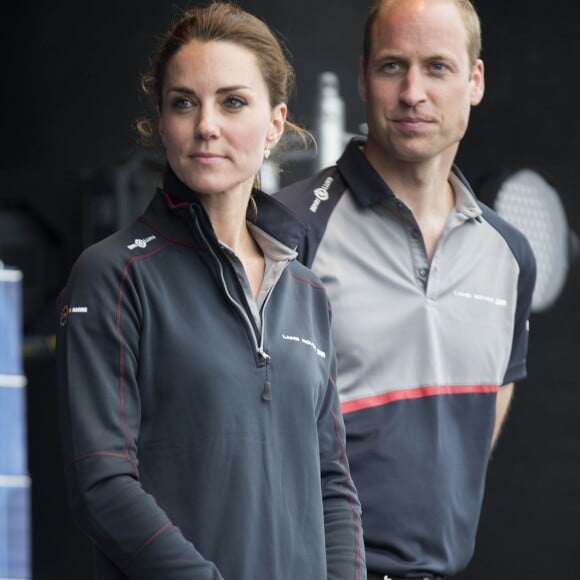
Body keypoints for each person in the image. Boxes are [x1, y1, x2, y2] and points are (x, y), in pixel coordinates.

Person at [56, 3, 366, 579]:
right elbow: (103, 484)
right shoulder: (111, 276)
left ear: (275, 124)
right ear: (161, 123)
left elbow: (332, 484)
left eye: (233, 101)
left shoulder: (304, 289)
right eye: (184, 103)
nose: (206, 126)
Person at [275, 0, 536, 578]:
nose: (413, 92)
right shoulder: (287, 231)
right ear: (364, 75)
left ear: (475, 81)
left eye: (437, 67)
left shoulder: (510, 253)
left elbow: (492, 395)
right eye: (393, 66)